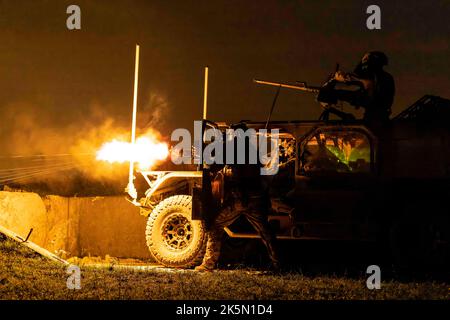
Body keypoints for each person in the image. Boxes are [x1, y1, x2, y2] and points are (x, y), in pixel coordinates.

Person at [195, 122, 280, 272]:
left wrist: (204, 154)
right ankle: (279, 264)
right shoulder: (252, 149)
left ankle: (208, 264)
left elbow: (214, 165)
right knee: (266, 232)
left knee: (215, 226)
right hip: (256, 197)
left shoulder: (233, 147)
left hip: (240, 199)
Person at [318, 51, 395, 124]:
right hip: (376, 118)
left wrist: (342, 81)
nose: (365, 69)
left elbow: (368, 95)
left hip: (374, 121)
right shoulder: (384, 78)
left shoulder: (378, 79)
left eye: (367, 66)